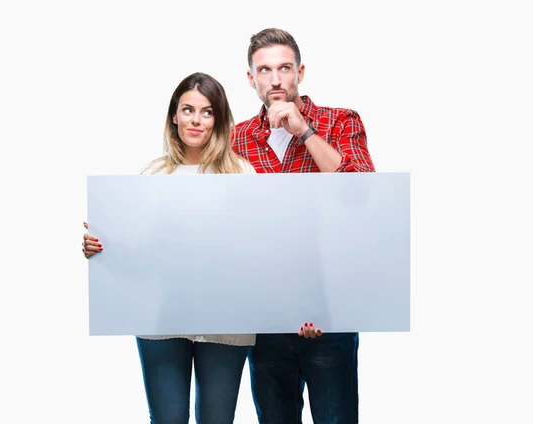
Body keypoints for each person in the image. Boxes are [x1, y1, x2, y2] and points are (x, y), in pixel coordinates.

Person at [82, 72, 257, 424]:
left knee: (217, 419)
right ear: (173, 116)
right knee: (167, 420)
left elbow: (256, 249)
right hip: (162, 319)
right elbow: (138, 250)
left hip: (225, 321)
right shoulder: (153, 176)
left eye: (207, 112)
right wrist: (102, 248)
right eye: (188, 109)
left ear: (219, 121)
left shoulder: (242, 175)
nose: (196, 120)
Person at [231, 28, 376, 424]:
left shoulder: (339, 120)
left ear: (300, 72)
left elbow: (361, 195)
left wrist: (305, 131)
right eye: (264, 70)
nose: (275, 79)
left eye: (284, 68)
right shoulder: (236, 138)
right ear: (251, 79)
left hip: (329, 313)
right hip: (265, 320)